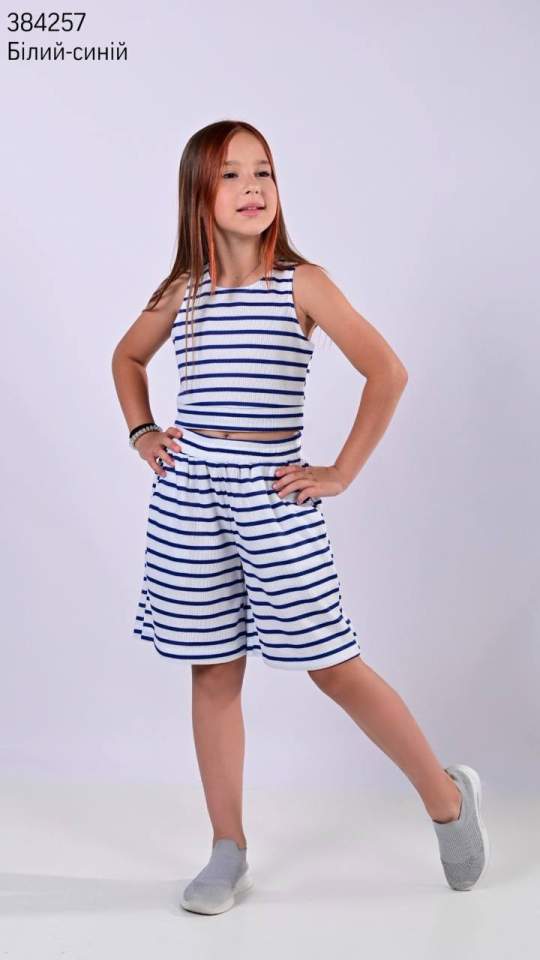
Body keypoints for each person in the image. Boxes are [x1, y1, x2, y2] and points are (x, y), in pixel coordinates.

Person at [111, 120, 490, 915]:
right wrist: (143, 431)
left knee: (333, 664)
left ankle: (447, 799)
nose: (253, 187)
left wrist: (341, 471)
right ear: (197, 194)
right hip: (190, 497)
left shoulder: (302, 284)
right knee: (213, 669)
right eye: (230, 175)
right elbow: (127, 357)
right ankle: (227, 846)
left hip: (273, 496)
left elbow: (387, 372)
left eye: (264, 171)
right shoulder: (182, 292)